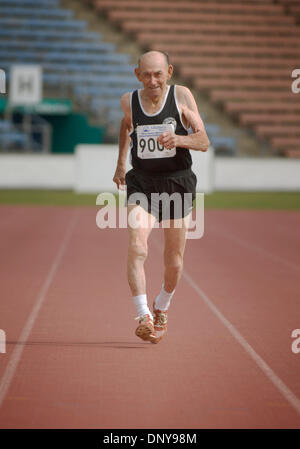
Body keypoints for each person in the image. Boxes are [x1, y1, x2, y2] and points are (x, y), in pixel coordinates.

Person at [113, 50, 210, 344]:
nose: (152, 80)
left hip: (177, 183)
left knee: (174, 261)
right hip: (142, 182)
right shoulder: (129, 100)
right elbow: (126, 125)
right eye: (146, 74)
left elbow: (203, 140)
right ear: (137, 75)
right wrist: (120, 162)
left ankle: (162, 306)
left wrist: (179, 139)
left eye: (158, 74)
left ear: (168, 71)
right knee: (137, 246)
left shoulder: (181, 97)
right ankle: (143, 315)